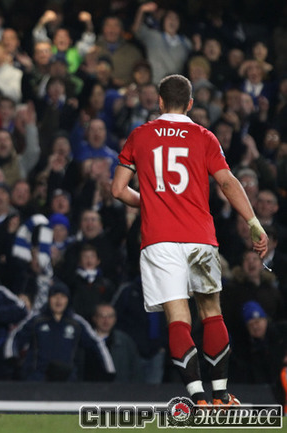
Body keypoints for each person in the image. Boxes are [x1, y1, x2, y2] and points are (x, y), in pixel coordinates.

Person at [111, 74, 268, 407]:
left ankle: (197, 398)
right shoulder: (204, 136)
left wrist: (151, 200)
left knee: (177, 318)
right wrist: (254, 222)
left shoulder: (140, 136)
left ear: (159, 101)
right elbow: (227, 182)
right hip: (200, 239)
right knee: (211, 313)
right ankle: (222, 396)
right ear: (191, 104)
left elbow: (117, 189)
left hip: (160, 241)